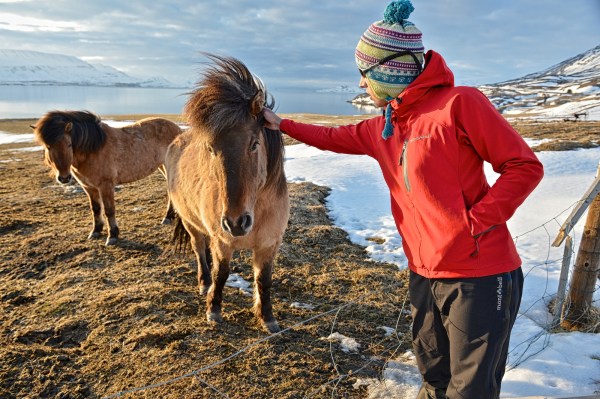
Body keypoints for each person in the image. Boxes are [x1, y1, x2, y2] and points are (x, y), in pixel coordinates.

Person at [263, 1, 544, 398]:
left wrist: (474, 224)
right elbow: (331, 138)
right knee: (433, 378)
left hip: (479, 275)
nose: (361, 84)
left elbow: (523, 166)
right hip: (424, 272)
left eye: (364, 74)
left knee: (472, 390)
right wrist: (283, 124)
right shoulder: (385, 126)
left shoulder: (459, 104)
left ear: (389, 68)